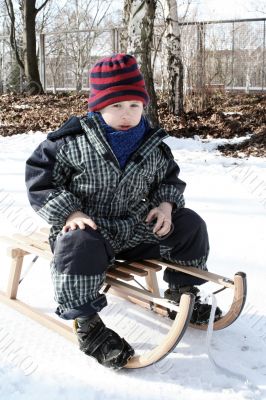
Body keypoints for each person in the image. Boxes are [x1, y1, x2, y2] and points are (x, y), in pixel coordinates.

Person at [25, 53, 221, 370]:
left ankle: (182, 290)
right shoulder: (71, 142)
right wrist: (70, 214)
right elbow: (40, 180)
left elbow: (168, 179)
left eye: (134, 105)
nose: (126, 113)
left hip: (135, 227)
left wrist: (166, 206)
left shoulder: (153, 144)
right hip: (90, 231)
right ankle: (87, 323)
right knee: (77, 246)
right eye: (116, 105)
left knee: (190, 224)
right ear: (99, 106)